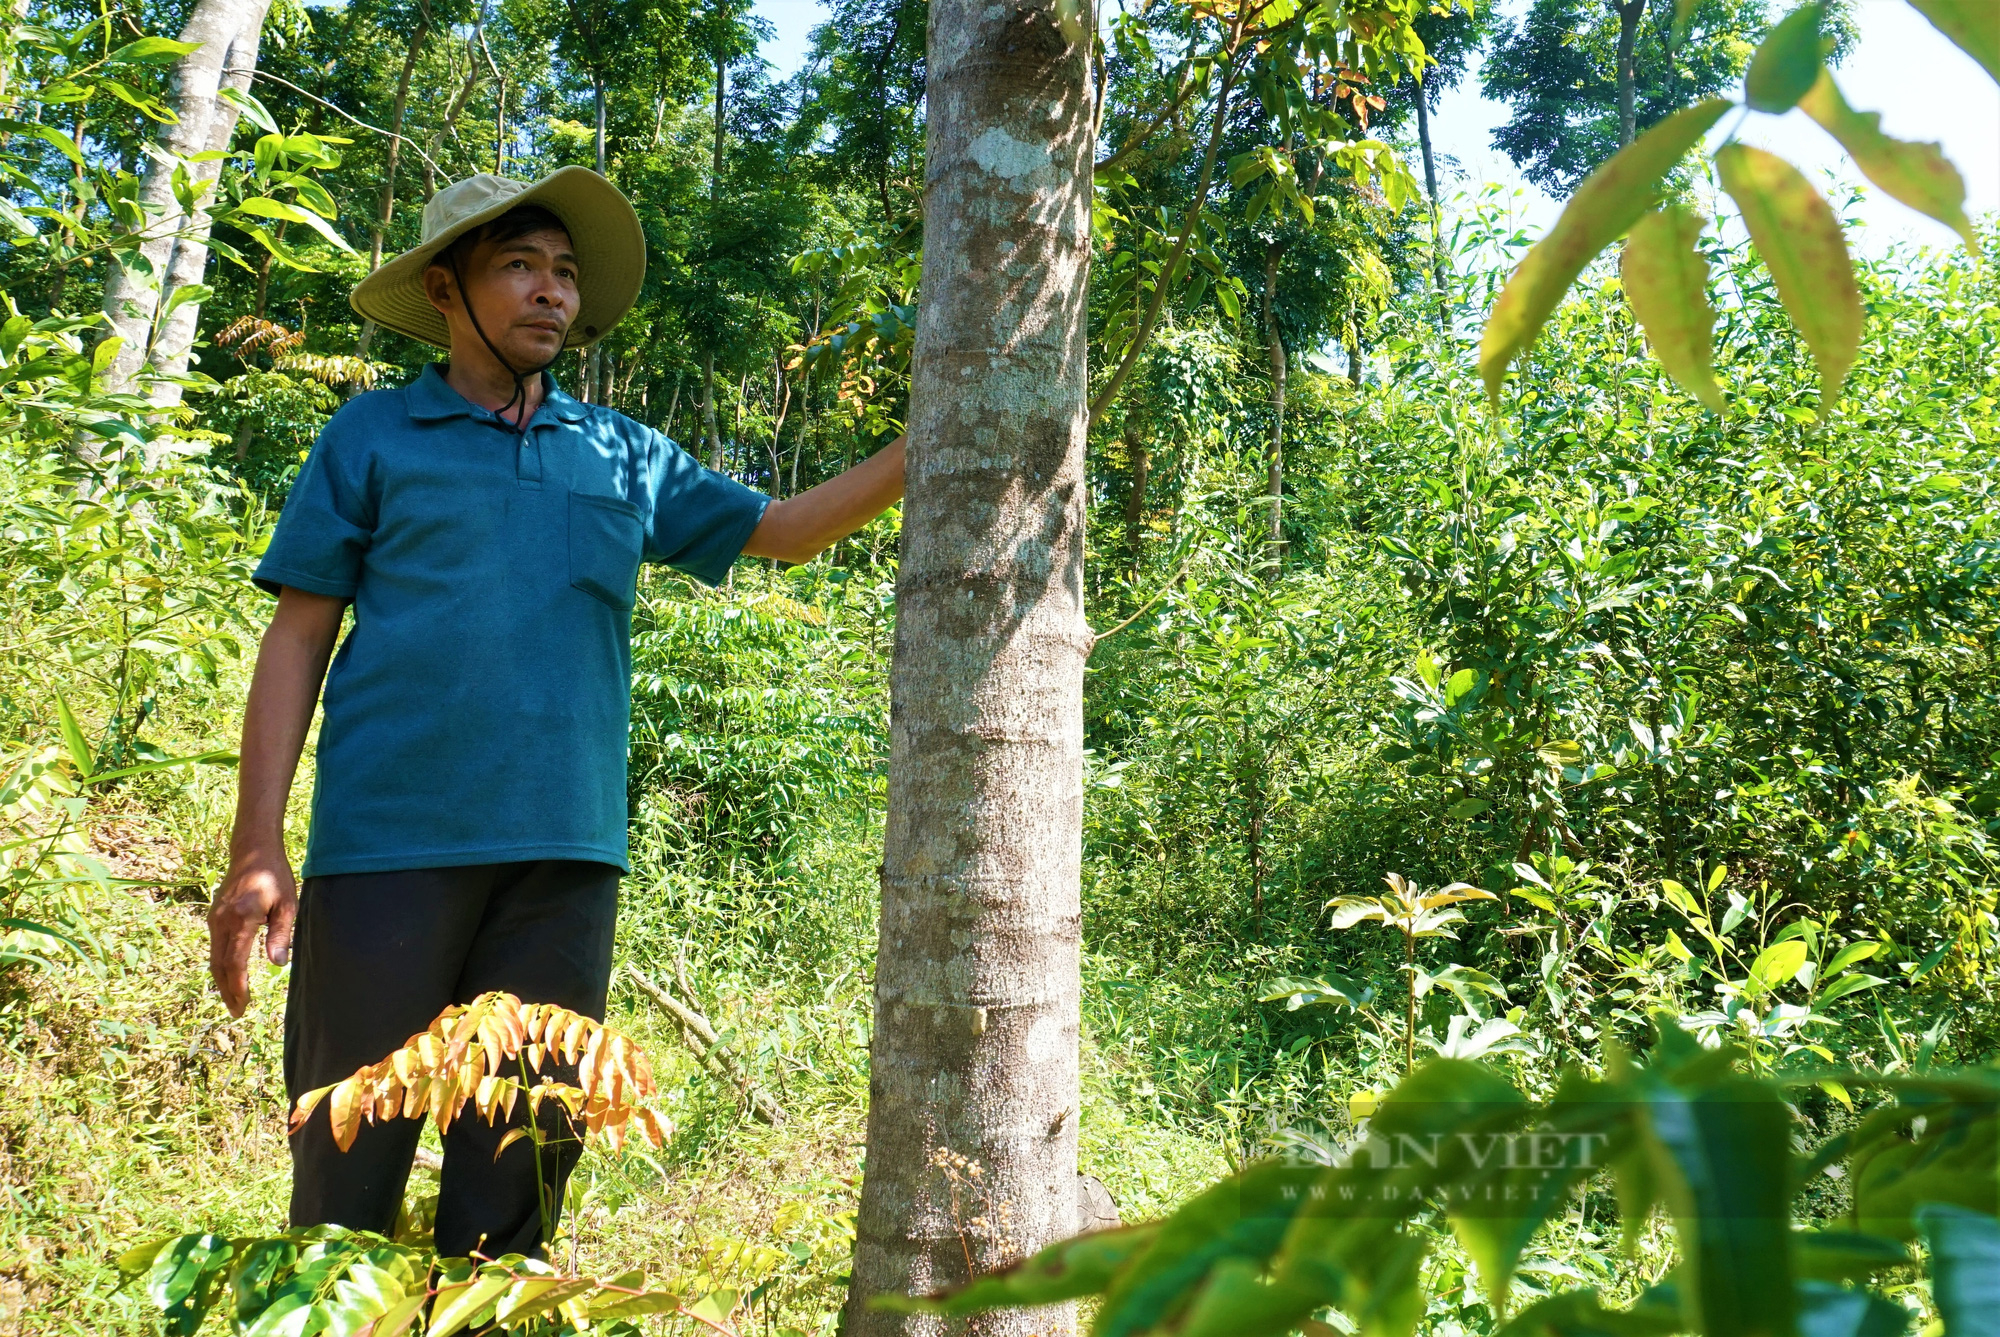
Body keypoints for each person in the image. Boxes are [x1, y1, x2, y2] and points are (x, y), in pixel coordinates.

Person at [204, 168, 904, 1259]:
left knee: (519, 1167)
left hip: (564, 860)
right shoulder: (375, 435)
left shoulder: (618, 449)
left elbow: (787, 528)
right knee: (348, 1161)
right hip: (388, 848)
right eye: (519, 266)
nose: (551, 294)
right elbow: (297, 635)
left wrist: (937, 438)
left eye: (566, 274)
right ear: (445, 288)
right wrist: (257, 844)